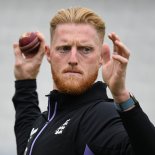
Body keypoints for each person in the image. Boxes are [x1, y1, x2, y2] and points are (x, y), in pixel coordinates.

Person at [12, 7, 155, 155]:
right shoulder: (45, 121)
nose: (73, 59)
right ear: (49, 54)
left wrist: (121, 95)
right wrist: (25, 81)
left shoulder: (100, 116)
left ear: (100, 57)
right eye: (64, 48)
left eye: (85, 49)